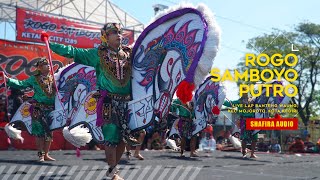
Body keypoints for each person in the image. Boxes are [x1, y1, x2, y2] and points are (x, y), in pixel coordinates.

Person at [49, 23, 139, 180]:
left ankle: (112, 170)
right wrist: (50, 43)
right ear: (105, 36)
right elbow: (74, 52)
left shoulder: (130, 54)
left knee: (123, 139)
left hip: (127, 102)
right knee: (110, 137)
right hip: (108, 102)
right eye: (113, 32)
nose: (118, 35)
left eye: (119, 32)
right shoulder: (98, 54)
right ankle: (113, 171)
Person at [3, 58, 56, 162]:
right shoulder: (34, 78)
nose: (49, 66)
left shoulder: (54, 78)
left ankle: (46, 154)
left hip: (50, 109)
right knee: (39, 133)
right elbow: (21, 84)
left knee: (50, 133)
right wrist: (8, 80)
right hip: (38, 108)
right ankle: (41, 155)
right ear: (40, 68)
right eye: (45, 65)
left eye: (49, 64)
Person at [223, 91, 258, 158]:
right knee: (244, 138)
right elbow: (228, 103)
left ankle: (252, 153)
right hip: (243, 120)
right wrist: (221, 99)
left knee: (255, 138)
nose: (245, 93)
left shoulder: (253, 101)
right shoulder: (239, 102)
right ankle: (244, 153)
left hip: (253, 120)